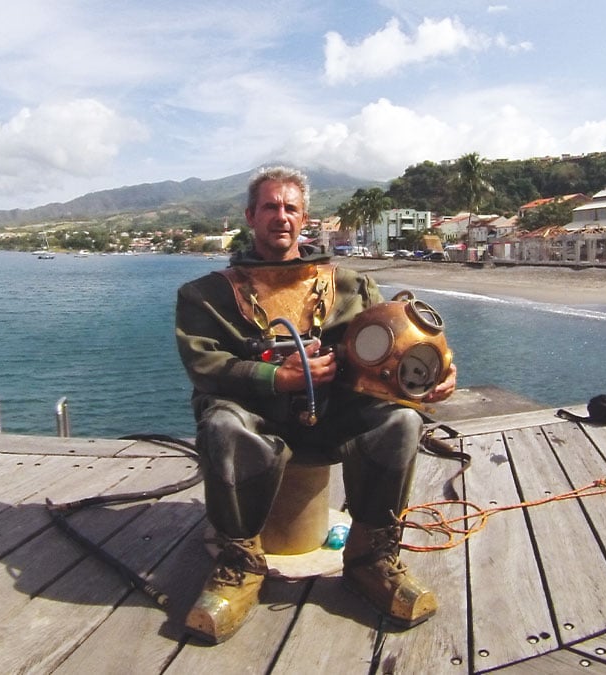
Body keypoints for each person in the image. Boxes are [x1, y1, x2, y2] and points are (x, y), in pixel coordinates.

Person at [175, 166, 457, 643]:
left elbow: (394, 349)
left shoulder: (352, 286)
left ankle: (370, 559)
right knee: (223, 423)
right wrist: (274, 377)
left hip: (334, 418)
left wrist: (435, 373)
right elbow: (205, 366)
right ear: (250, 216)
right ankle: (240, 563)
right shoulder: (205, 296)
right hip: (255, 418)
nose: (280, 217)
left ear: (305, 218)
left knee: (402, 421)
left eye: (290, 208)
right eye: (270, 207)